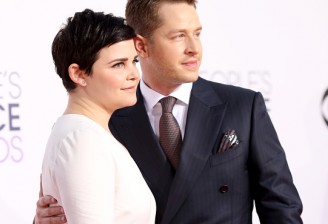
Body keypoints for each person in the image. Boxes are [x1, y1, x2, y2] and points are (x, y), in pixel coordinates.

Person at [35, 0, 303, 223]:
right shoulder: (106, 119)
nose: (193, 48)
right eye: (178, 36)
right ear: (141, 45)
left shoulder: (242, 106)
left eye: (197, 33)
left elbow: (281, 207)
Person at [39, 8, 156, 223]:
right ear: (79, 74)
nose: (134, 75)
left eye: (134, 61)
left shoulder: (85, 133)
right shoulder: (83, 139)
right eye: (119, 64)